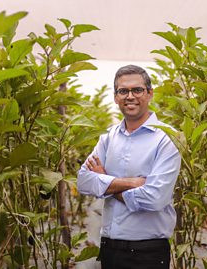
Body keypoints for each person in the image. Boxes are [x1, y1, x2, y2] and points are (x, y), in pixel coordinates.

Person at [77, 65, 181, 269]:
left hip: (148, 253)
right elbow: (84, 181)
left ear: (150, 93)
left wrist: (106, 184)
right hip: (109, 248)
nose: (130, 96)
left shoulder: (167, 138)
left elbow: (154, 198)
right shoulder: (108, 138)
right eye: (123, 91)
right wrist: (132, 183)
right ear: (115, 97)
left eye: (137, 90)